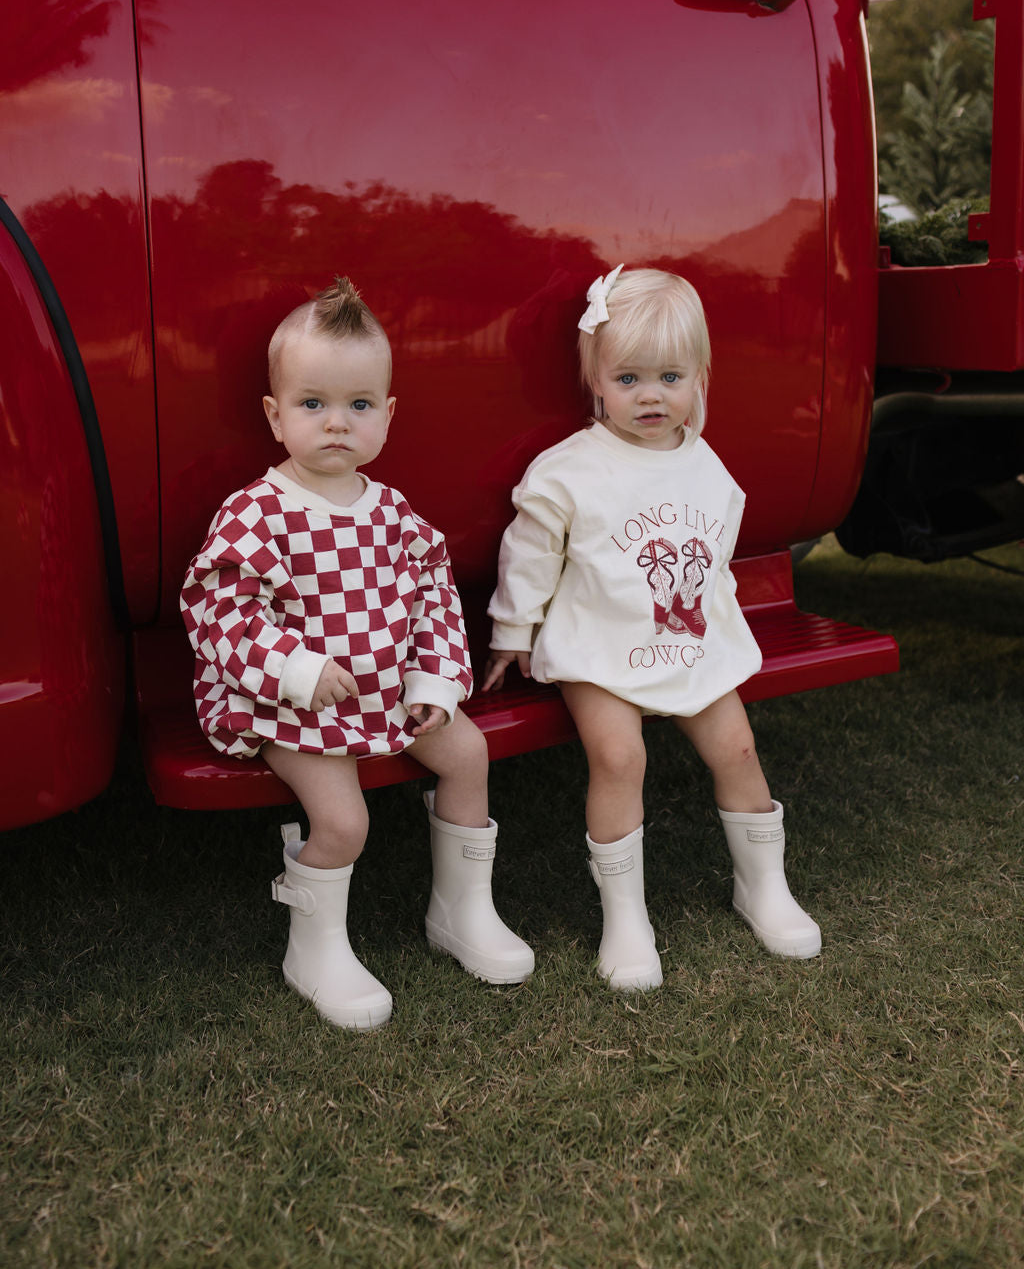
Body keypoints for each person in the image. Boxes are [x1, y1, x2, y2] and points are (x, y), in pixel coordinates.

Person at [181, 277, 533, 1030]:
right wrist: (297, 669)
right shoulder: (258, 512)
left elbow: (434, 593)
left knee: (467, 754)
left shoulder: (395, 513)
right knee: (343, 821)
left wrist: (434, 676)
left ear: (387, 413)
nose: (337, 423)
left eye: (359, 405)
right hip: (284, 702)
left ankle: (460, 911)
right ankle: (314, 949)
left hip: (385, 692)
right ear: (276, 416)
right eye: (313, 404)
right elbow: (218, 610)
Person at [482, 265, 820, 991]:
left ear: (699, 376)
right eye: (629, 378)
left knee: (737, 743)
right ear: (595, 380)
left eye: (670, 376)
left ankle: (762, 885)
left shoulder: (706, 466)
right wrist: (512, 631)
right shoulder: (569, 470)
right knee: (619, 755)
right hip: (600, 646)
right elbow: (532, 553)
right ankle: (626, 915)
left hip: (687, 640)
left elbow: (717, 550)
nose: (651, 395)